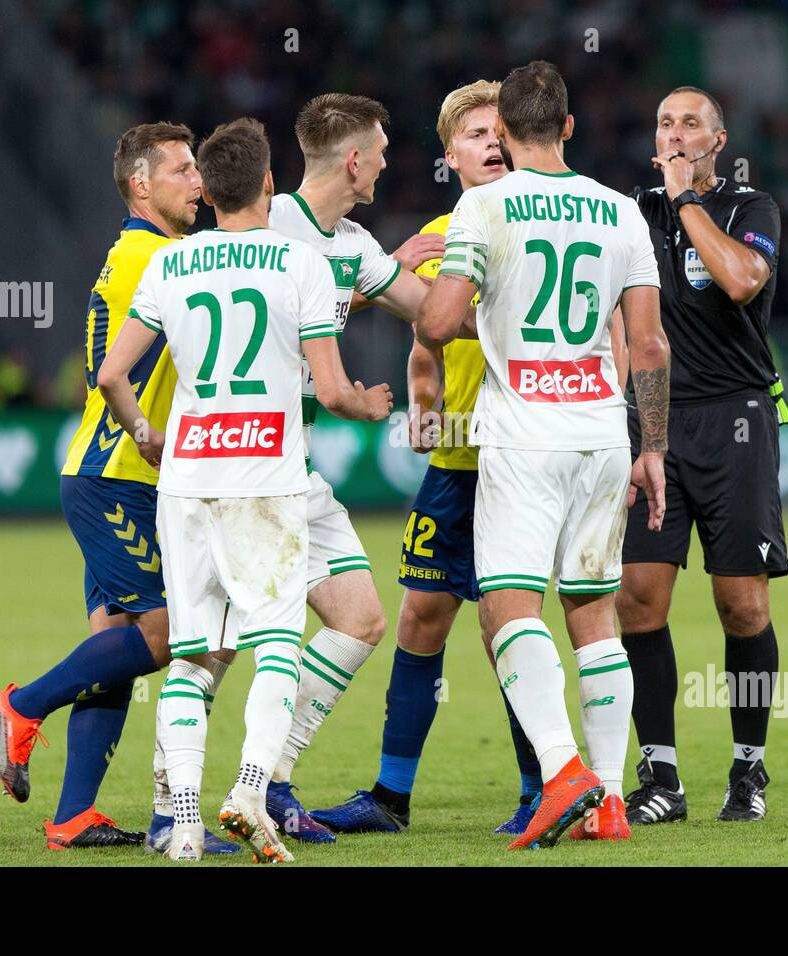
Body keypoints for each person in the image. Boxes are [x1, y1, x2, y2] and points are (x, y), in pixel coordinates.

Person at [97, 117, 392, 862]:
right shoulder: (302, 266)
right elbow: (328, 389)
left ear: (210, 186)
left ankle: (184, 822)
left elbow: (109, 376)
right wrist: (369, 404)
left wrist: (146, 433)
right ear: (267, 183)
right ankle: (253, 791)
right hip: (265, 479)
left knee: (194, 657)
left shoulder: (173, 264)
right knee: (274, 651)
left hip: (188, 481)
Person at [417, 61, 671, 849]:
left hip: (525, 436)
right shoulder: (619, 211)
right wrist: (652, 447)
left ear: (509, 131)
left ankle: (562, 772)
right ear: (566, 127)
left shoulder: (482, 206)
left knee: (506, 609)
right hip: (602, 433)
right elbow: (651, 342)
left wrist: (474, 304)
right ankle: (607, 799)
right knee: (593, 611)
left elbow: (438, 321)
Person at [0, 122, 235, 852]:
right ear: (140, 184)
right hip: (115, 480)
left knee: (116, 645)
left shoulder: (138, 254)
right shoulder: (160, 258)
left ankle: (73, 815)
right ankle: (18, 707)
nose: (199, 182)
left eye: (199, 169)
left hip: (111, 477)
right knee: (166, 635)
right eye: (183, 170)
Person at [310, 80, 545, 837]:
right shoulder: (443, 232)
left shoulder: (545, 224)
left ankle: (544, 789)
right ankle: (390, 797)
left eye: (503, 130)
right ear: (450, 155)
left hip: (524, 461)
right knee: (420, 618)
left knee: (508, 629)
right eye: (476, 133)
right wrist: (423, 401)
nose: (493, 142)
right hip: (457, 463)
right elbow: (424, 342)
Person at [616, 86, 788, 825]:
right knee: (637, 599)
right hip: (652, 423)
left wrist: (686, 203)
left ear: (719, 140)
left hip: (736, 421)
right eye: (663, 122)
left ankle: (748, 771)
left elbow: (742, 281)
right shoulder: (629, 213)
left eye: (691, 122)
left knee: (741, 603)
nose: (675, 132)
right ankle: (661, 776)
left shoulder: (751, 210)